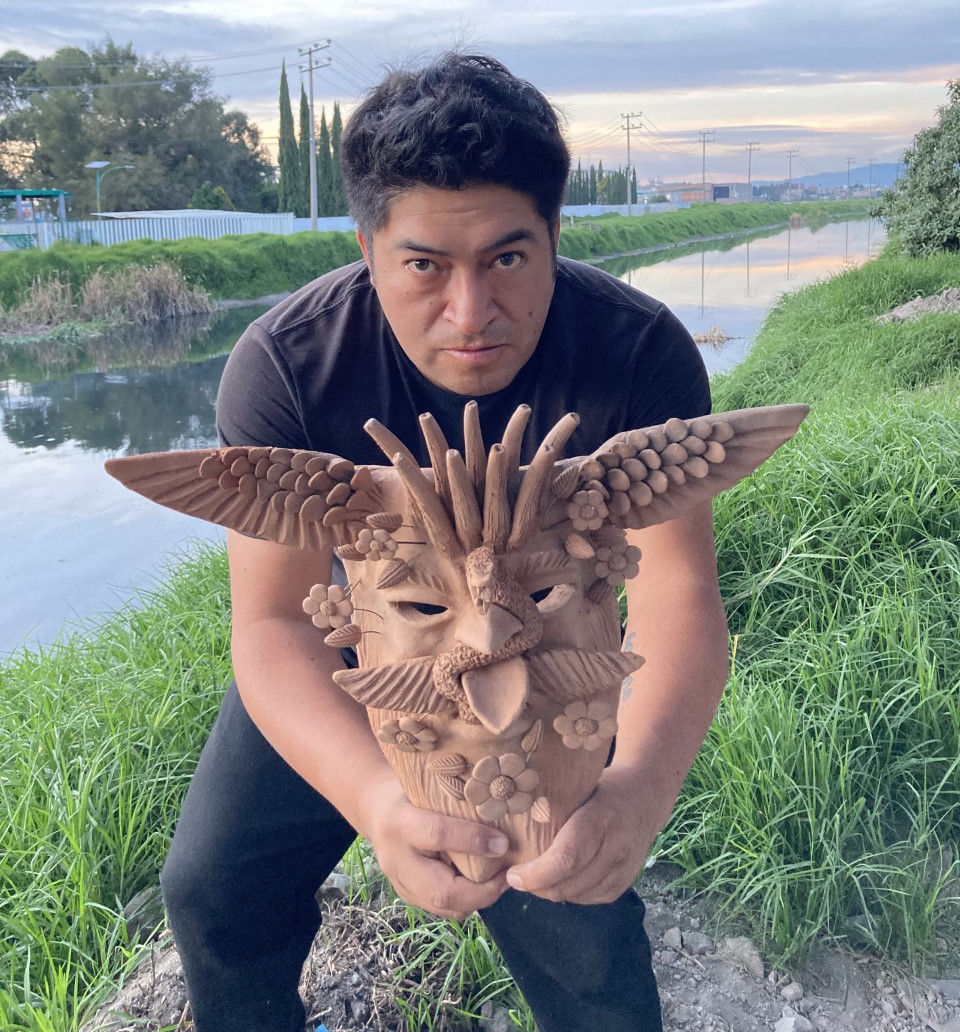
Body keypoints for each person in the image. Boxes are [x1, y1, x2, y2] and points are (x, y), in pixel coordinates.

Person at [160, 53, 728, 1032]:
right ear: (368, 245)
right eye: (425, 265)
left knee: (577, 917)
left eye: (507, 258)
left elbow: (676, 595)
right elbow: (268, 621)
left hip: (549, 642)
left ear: (554, 234)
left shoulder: (637, 354)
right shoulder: (287, 369)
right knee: (212, 884)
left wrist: (637, 791)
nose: (470, 316)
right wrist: (379, 798)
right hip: (358, 635)